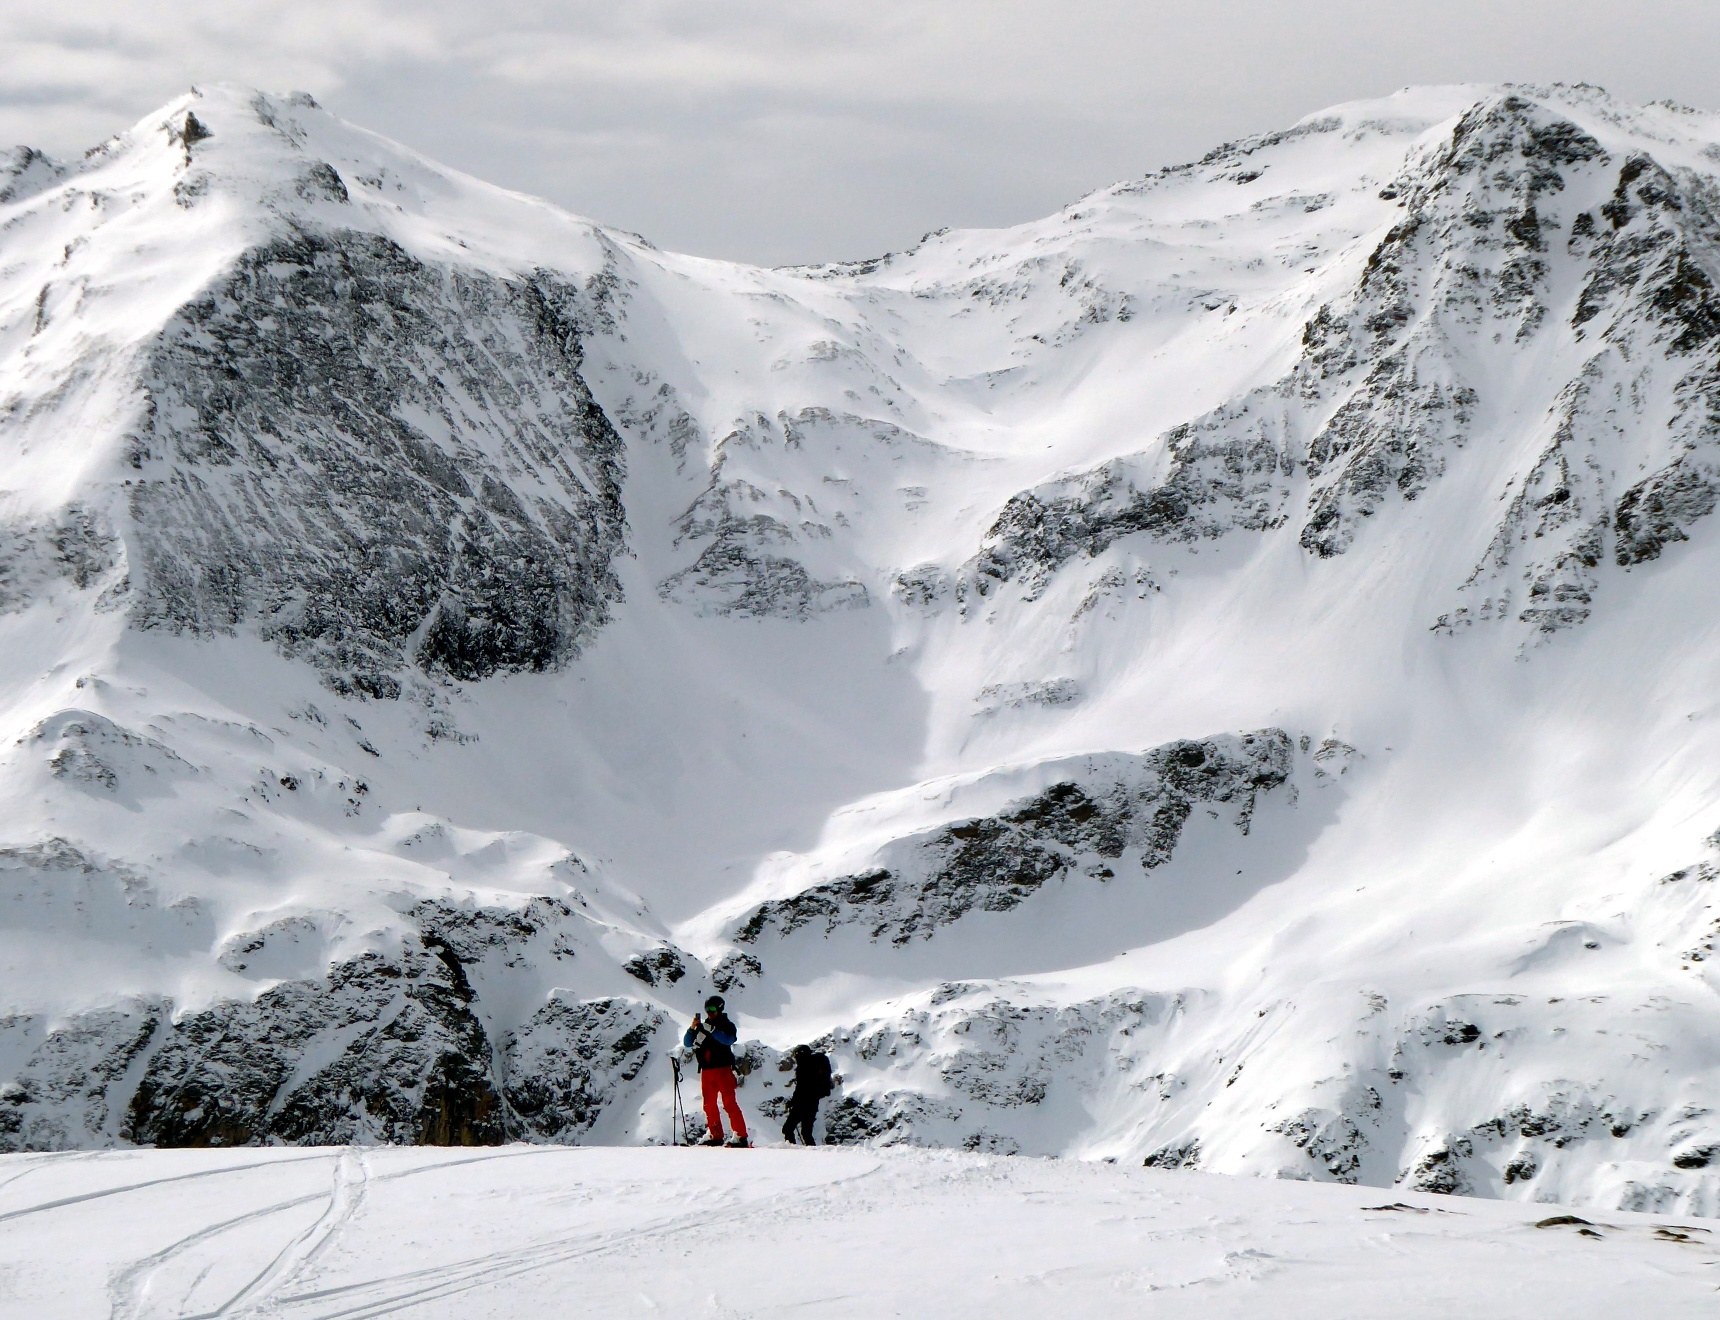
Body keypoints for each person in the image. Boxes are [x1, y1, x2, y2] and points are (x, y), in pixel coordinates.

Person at [684, 995, 749, 1147]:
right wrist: (692, 1028)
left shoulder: (727, 1025)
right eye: (707, 1009)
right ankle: (715, 1135)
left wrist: (711, 1030)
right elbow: (688, 1043)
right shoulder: (703, 1027)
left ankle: (740, 1136)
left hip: (723, 1069)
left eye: (712, 1009)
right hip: (707, 1071)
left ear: (720, 1008)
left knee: (729, 1103)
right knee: (709, 1105)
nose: (709, 1012)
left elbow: (728, 1040)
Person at [781, 1043, 834, 1146]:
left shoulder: (803, 1067)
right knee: (806, 1133)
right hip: (813, 1104)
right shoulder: (815, 1065)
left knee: (787, 1129)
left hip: (801, 1104)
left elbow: (801, 1088)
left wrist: (792, 1102)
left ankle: (792, 1150)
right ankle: (812, 1151)